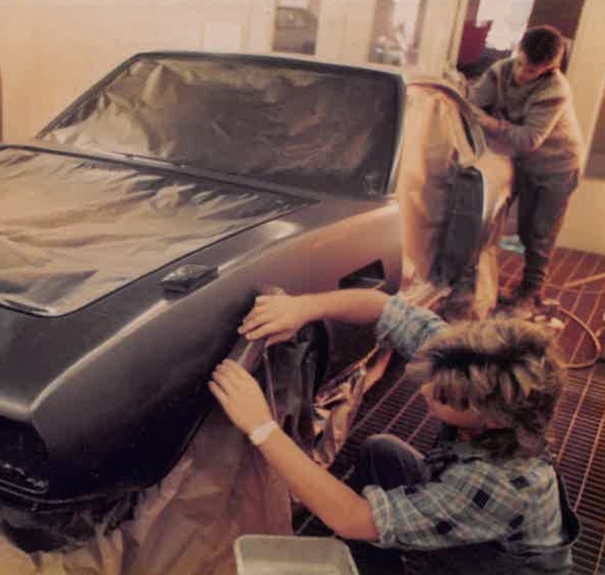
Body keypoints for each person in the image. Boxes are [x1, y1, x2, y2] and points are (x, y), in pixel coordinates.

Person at [209, 290, 579, 574]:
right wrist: (304, 306)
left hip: (501, 567)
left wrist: (261, 427)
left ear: (494, 420)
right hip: (469, 520)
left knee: (363, 519)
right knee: (382, 452)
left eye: (444, 397)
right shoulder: (467, 362)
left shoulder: (497, 482)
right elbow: (384, 306)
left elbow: (354, 518)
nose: (424, 392)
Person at [467, 25, 583, 311]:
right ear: (518, 51)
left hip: (558, 166)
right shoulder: (501, 70)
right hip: (522, 161)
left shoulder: (556, 90)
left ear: (548, 68)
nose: (520, 73)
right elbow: (472, 105)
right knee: (499, 221)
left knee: (538, 234)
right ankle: (507, 286)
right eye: (520, 62)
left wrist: (490, 123)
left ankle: (531, 294)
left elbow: (529, 139)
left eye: (530, 71)